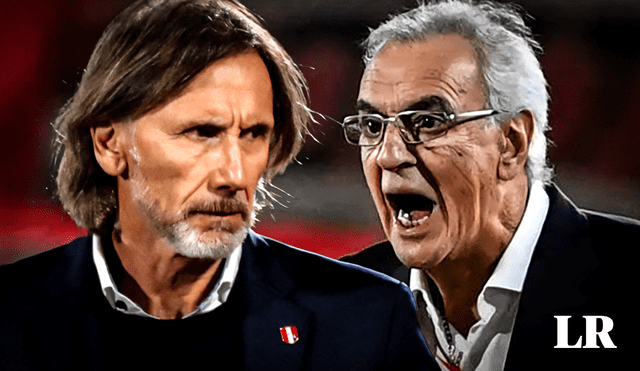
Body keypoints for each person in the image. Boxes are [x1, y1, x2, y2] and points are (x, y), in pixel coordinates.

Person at [0, 1, 439, 370]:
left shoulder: (367, 319)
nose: (233, 175)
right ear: (110, 144)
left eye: (254, 135)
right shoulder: (10, 315)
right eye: (202, 132)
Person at [341, 0, 638, 370]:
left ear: (511, 142)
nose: (388, 155)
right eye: (372, 126)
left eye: (429, 121)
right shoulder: (343, 300)